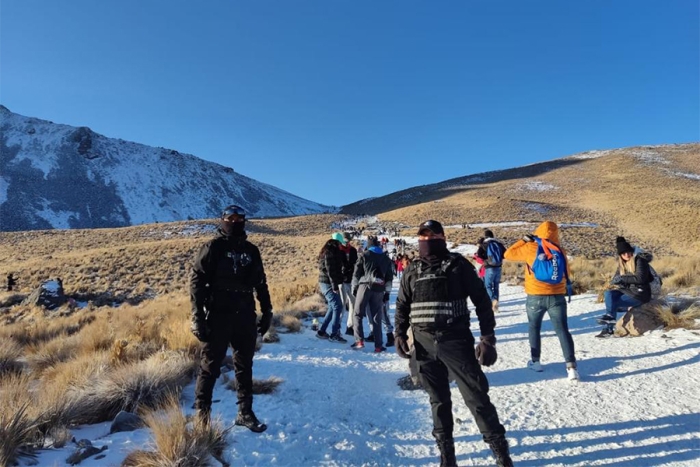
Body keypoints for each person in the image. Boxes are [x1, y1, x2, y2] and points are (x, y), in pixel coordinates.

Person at [395, 220, 513, 467]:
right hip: (424, 346)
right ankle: (447, 458)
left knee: (477, 398)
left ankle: (502, 455)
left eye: (432, 235)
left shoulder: (459, 266)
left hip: (456, 342)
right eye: (423, 236)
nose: (427, 240)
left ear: (442, 237)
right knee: (438, 401)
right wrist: (398, 333)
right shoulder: (412, 270)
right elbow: (402, 305)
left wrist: (488, 339)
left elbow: (482, 302)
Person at [190, 205, 272, 432]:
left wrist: (267, 312)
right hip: (218, 314)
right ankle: (202, 418)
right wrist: (197, 315)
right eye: (230, 218)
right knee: (210, 367)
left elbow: (261, 283)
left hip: (245, 314)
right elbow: (197, 282)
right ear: (223, 220)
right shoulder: (213, 248)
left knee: (245, 366)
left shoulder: (252, 251)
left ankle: (245, 413)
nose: (235, 222)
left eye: (239, 218)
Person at [504, 221, 579, 381]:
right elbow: (566, 272)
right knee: (562, 330)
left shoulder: (529, 248)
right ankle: (571, 367)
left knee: (534, 328)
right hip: (557, 296)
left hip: (535, 296)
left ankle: (536, 361)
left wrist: (524, 240)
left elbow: (508, 254)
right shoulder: (559, 250)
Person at [596, 237, 654, 338]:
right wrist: (616, 281)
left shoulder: (640, 261)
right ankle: (609, 321)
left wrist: (622, 279)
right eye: (623, 254)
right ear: (620, 255)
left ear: (631, 251)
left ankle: (608, 329)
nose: (627, 255)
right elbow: (617, 278)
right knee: (608, 294)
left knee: (612, 303)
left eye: (628, 252)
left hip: (640, 294)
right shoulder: (622, 265)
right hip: (628, 291)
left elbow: (640, 278)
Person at [351, 236, 394, 352]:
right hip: (379, 289)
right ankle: (378, 346)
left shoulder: (364, 255)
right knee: (376, 317)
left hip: (364, 286)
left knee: (358, 314)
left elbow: (356, 274)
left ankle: (359, 341)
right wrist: (387, 293)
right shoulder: (386, 258)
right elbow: (389, 277)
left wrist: (354, 288)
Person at [316, 233, 348, 343]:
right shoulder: (331, 252)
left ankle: (322, 331)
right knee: (337, 306)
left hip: (326, 282)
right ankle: (334, 333)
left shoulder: (328, 250)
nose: (340, 246)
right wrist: (335, 285)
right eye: (340, 243)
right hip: (327, 283)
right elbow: (330, 270)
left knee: (332, 306)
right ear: (337, 242)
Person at [476, 230, 506, 312]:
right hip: (498, 267)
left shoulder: (485, 244)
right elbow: (505, 254)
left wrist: (485, 259)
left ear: (485, 236)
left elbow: (478, 255)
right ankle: (495, 305)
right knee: (496, 286)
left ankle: (493, 300)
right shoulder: (499, 244)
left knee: (488, 286)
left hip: (489, 268)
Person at [338, 232, 359, 336]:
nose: (346, 242)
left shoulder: (353, 250)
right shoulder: (338, 250)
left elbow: (355, 264)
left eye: (348, 240)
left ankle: (349, 326)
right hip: (341, 281)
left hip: (351, 280)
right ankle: (337, 328)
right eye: (345, 240)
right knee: (342, 304)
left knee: (353, 303)